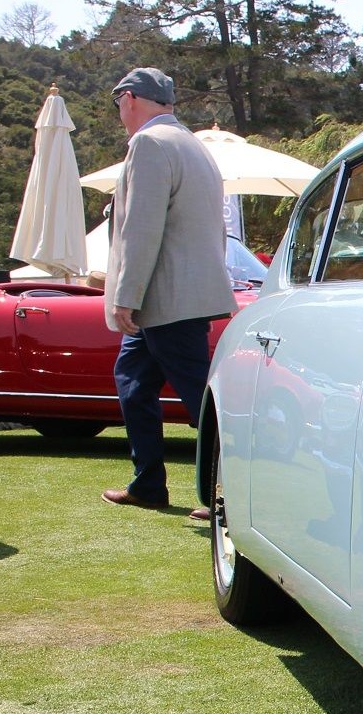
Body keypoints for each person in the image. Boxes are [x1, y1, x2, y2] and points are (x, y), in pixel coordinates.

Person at [99, 67, 233, 519]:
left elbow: (142, 226)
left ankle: (231, 495)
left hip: (165, 298)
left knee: (203, 401)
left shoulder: (149, 144)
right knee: (134, 385)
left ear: (130, 98)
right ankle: (149, 484)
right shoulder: (193, 145)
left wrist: (125, 293)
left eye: (119, 102)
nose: (119, 112)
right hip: (180, 296)